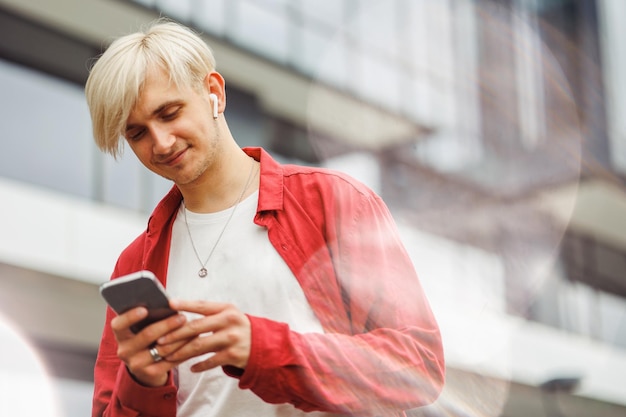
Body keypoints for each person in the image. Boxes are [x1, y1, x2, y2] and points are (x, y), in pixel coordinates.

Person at [86, 19, 444, 417]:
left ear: (213, 92)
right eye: (137, 134)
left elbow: (419, 366)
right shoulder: (134, 265)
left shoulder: (332, 202)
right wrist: (142, 380)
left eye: (170, 113)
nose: (161, 142)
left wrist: (262, 348)